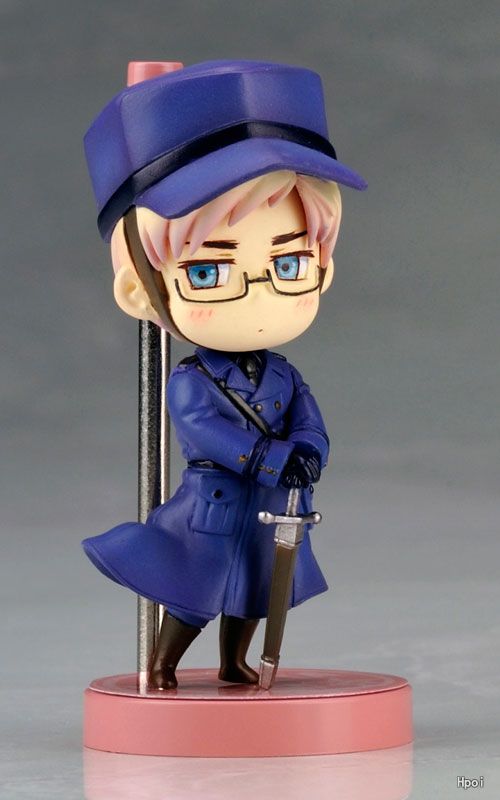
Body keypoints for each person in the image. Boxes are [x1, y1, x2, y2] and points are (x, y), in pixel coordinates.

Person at [82, 60, 366, 689]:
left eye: (290, 265)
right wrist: (270, 457)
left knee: (259, 590)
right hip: (212, 509)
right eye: (208, 272)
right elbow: (206, 431)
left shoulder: (283, 373)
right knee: (196, 591)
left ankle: (235, 663)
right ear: (138, 290)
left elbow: (309, 420)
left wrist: (309, 454)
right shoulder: (192, 380)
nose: (260, 294)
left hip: (274, 502)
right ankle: (163, 664)